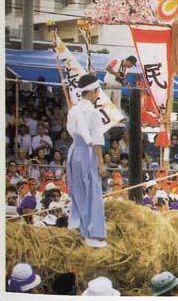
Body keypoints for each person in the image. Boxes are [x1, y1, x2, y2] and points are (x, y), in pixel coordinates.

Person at [65, 74, 108, 248]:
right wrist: (101, 162)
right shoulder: (93, 112)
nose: (98, 93)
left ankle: (78, 225)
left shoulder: (74, 110)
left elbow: (71, 131)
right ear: (93, 91)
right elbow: (96, 140)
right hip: (87, 152)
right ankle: (91, 232)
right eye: (98, 90)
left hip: (74, 151)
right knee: (92, 190)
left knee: (78, 190)